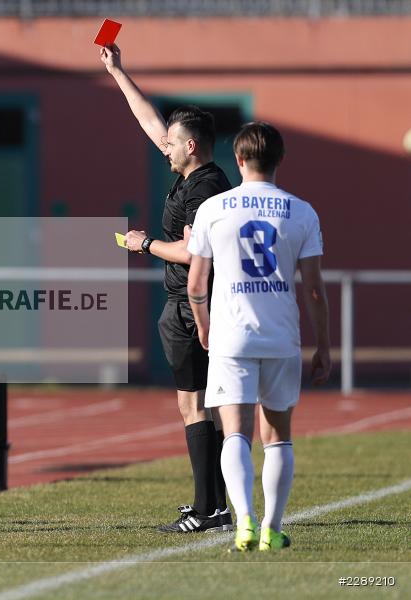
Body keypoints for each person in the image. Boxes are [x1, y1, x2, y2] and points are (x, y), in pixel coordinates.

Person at [101, 43, 233, 532]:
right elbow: (151, 123)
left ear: (192, 146)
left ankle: (208, 509)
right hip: (185, 302)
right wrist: (118, 72)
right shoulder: (191, 172)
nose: (166, 147)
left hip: (193, 304)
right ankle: (214, 503)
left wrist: (143, 244)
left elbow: (195, 252)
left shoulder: (203, 187)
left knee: (196, 403)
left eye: (174, 144)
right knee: (203, 404)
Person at [186, 121, 331, 551]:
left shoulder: (213, 208)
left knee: (234, 434)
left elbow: (196, 284)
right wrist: (323, 344)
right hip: (281, 335)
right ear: (279, 159)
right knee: (278, 436)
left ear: (239, 159)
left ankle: (245, 522)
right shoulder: (302, 211)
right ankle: (272, 525)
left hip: (231, 335)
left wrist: (203, 322)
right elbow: (316, 289)